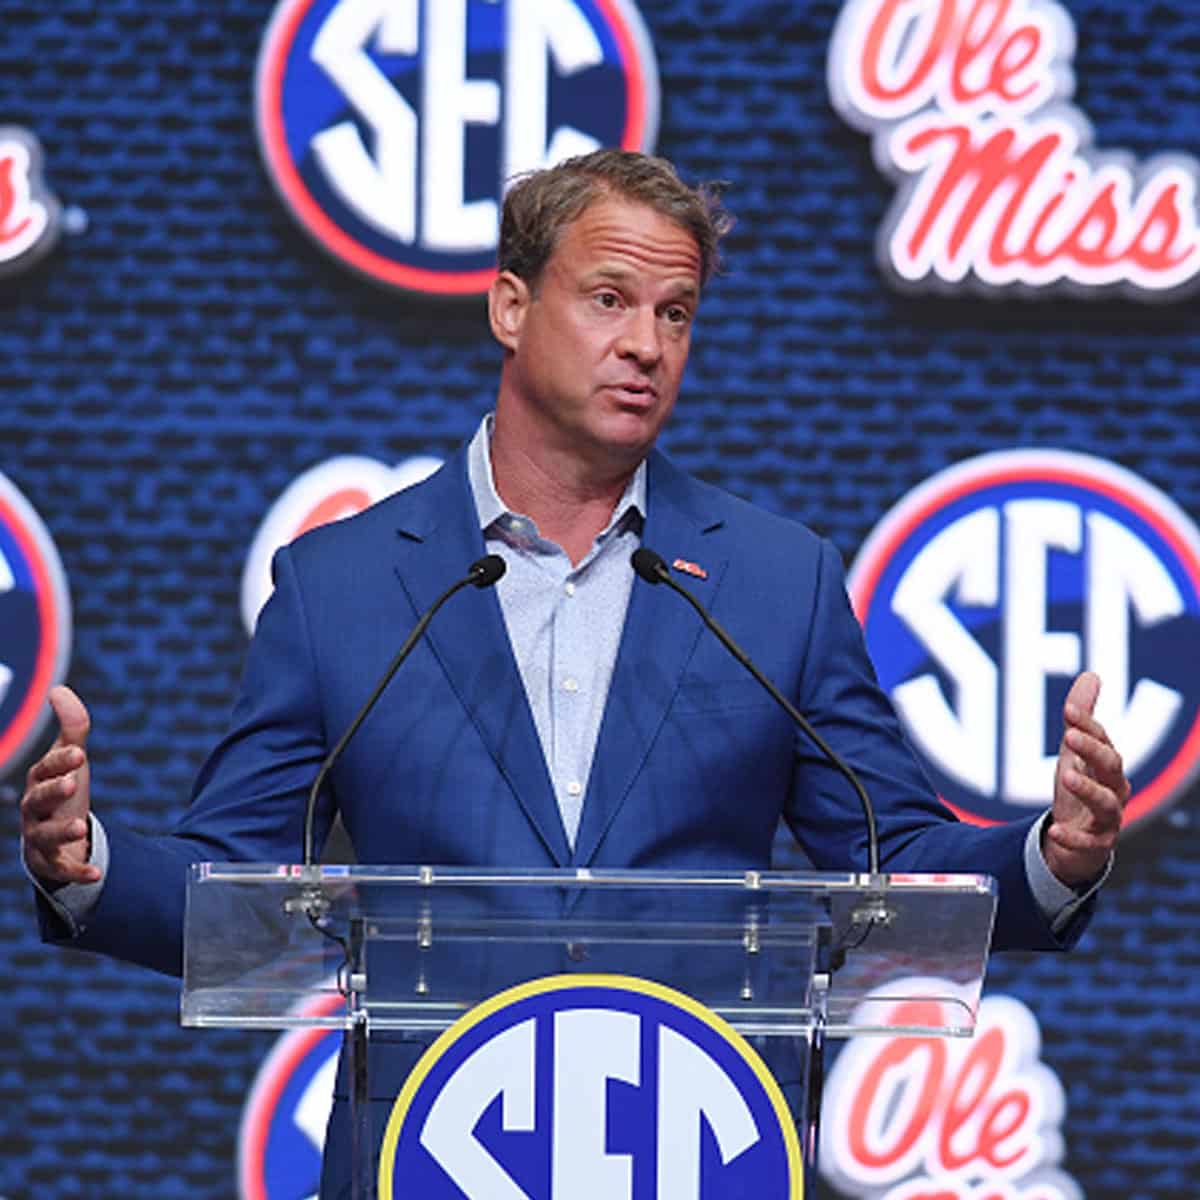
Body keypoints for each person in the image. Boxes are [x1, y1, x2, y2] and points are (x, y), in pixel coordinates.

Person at [20, 149, 1130, 1192]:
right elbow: (238, 891)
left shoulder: (773, 582)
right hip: (430, 1155)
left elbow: (898, 864)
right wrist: (88, 864)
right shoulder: (341, 587)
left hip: (704, 1155)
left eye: (676, 313)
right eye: (609, 299)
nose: (647, 343)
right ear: (511, 308)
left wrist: (1052, 854)